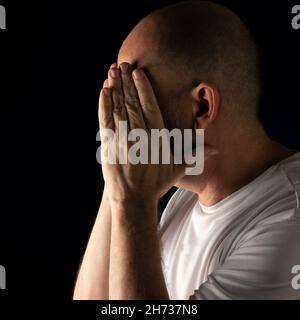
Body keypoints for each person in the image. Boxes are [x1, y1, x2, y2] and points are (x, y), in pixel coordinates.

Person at [73, 0, 300, 300]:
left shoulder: (288, 227)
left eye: (135, 98)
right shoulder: (184, 194)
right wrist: (119, 183)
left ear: (202, 106)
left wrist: (134, 201)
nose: (122, 118)